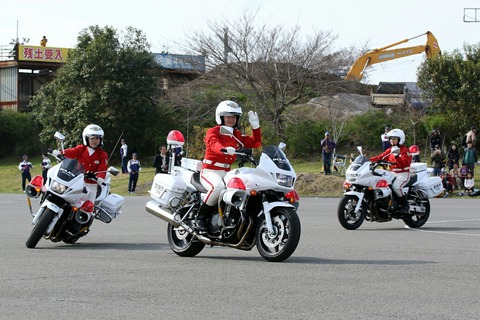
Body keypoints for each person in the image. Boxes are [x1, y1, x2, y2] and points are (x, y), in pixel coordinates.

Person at [197, 100, 262, 233]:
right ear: (220, 117)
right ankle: (200, 218)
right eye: (228, 116)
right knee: (218, 187)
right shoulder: (213, 131)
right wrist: (224, 149)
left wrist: (256, 126)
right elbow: (213, 144)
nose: (231, 119)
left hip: (227, 171)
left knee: (243, 188)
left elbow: (255, 143)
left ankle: (233, 220)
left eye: (234, 117)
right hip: (210, 170)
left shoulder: (236, 135)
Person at [62, 124, 108, 204]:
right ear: (86, 139)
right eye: (92, 138)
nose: (95, 141)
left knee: (88, 206)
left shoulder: (103, 155)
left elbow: (102, 169)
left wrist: (99, 178)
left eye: (97, 138)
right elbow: (72, 152)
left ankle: (88, 216)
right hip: (77, 181)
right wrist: (61, 153)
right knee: (66, 199)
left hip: (91, 184)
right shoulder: (81, 149)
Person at [369, 128, 412, 213]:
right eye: (391, 139)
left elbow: (405, 163)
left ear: (400, 139)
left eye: (395, 139)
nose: (392, 141)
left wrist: (396, 157)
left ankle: (404, 204)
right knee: (381, 183)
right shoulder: (390, 150)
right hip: (392, 173)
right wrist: (368, 160)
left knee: (396, 187)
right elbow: (381, 157)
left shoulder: (405, 150)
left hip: (403, 173)